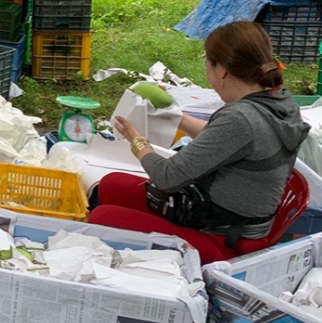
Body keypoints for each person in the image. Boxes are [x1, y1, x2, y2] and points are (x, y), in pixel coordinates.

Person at [89, 21, 310, 264]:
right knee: (110, 185)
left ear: (222, 70)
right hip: (233, 218)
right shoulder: (278, 100)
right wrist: (176, 117)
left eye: (207, 62)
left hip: (223, 238)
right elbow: (224, 139)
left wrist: (137, 142)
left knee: (102, 217)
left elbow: (167, 177)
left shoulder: (241, 118)